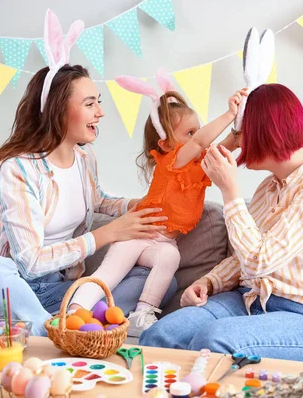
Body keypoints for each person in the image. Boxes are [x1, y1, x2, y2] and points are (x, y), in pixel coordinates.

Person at [0, 11, 176, 336]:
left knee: (156, 281)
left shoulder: (84, 159)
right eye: (89, 103)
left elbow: (98, 200)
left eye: (97, 102)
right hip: (5, 288)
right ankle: (53, 331)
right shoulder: (17, 168)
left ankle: (58, 324)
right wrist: (107, 234)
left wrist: (135, 205)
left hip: (56, 292)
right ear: (60, 109)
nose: (100, 111)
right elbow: (29, 261)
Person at [140, 83, 303, 363]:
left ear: (264, 133)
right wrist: (210, 282)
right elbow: (246, 256)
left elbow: (259, 260)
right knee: (158, 337)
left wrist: (230, 191)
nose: (236, 140)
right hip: (250, 300)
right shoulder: (269, 187)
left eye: (240, 131)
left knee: (212, 340)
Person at [69, 69, 247, 337]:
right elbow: (201, 143)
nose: (197, 137)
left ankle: (143, 312)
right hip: (136, 235)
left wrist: (238, 128)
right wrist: (228, 114)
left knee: (170, 257)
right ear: (165, 144)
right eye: (189, 133)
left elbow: (221, 148)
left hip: (163, 242)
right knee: (109, 274)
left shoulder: (197, 168)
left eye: (196, 130)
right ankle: (72, 312)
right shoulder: (173, 161)